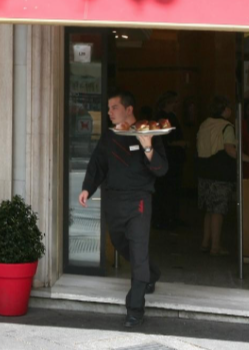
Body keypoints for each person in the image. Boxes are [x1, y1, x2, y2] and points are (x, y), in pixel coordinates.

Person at [79, 90, 168, 328]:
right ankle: (152, 273)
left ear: (129, 109)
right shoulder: (109, 136)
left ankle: (135, 308)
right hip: (113, 201)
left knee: (138, 252)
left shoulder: (150, 132)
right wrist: (88, 188)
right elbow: (97, 163)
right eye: (108, 109)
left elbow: (161, 169)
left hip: (138, 200)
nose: (109, 113)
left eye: (113, 108)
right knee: (120, 243)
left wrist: (147, 147)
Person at [196, 95, 244, 256]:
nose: (230, 110)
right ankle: (215, 246)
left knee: (208, 209)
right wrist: (248, 159)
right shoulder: (226, 126)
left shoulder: (204, 124)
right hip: (220, 173)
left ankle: (205, 242)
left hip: (204, 171)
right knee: (218, 210)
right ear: (224, 109)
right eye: (229, 107)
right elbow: (230, 150)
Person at [152, 91, 185, 230]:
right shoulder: (166, 118)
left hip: (166, 157)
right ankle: (166, 218)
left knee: (165, 189)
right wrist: (180, 143)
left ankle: (165, 218)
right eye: (174, 102)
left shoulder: (162, 117)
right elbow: (167, 140)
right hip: (170, 157)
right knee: (167, 189)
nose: (176, 105)